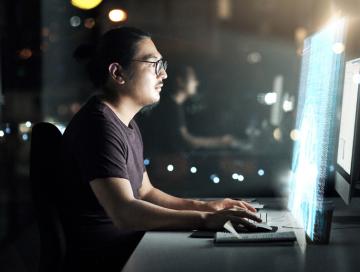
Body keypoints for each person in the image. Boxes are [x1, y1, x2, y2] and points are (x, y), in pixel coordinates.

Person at [60, 27, 260, 272]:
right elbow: (125, 212)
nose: (164, 74)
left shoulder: (126, 123)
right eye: (154, 63)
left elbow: (146, 193)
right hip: (108, 260)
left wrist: (206, 207)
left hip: (130, 248)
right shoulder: (98, 126)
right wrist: (206, 220)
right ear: (118, 72)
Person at [137, 65, 237, 154]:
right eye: (193, 79)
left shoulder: (174, 105)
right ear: (180, 81)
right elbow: (185, 140)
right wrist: (221, 142)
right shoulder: (170, 107)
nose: (196, 83)